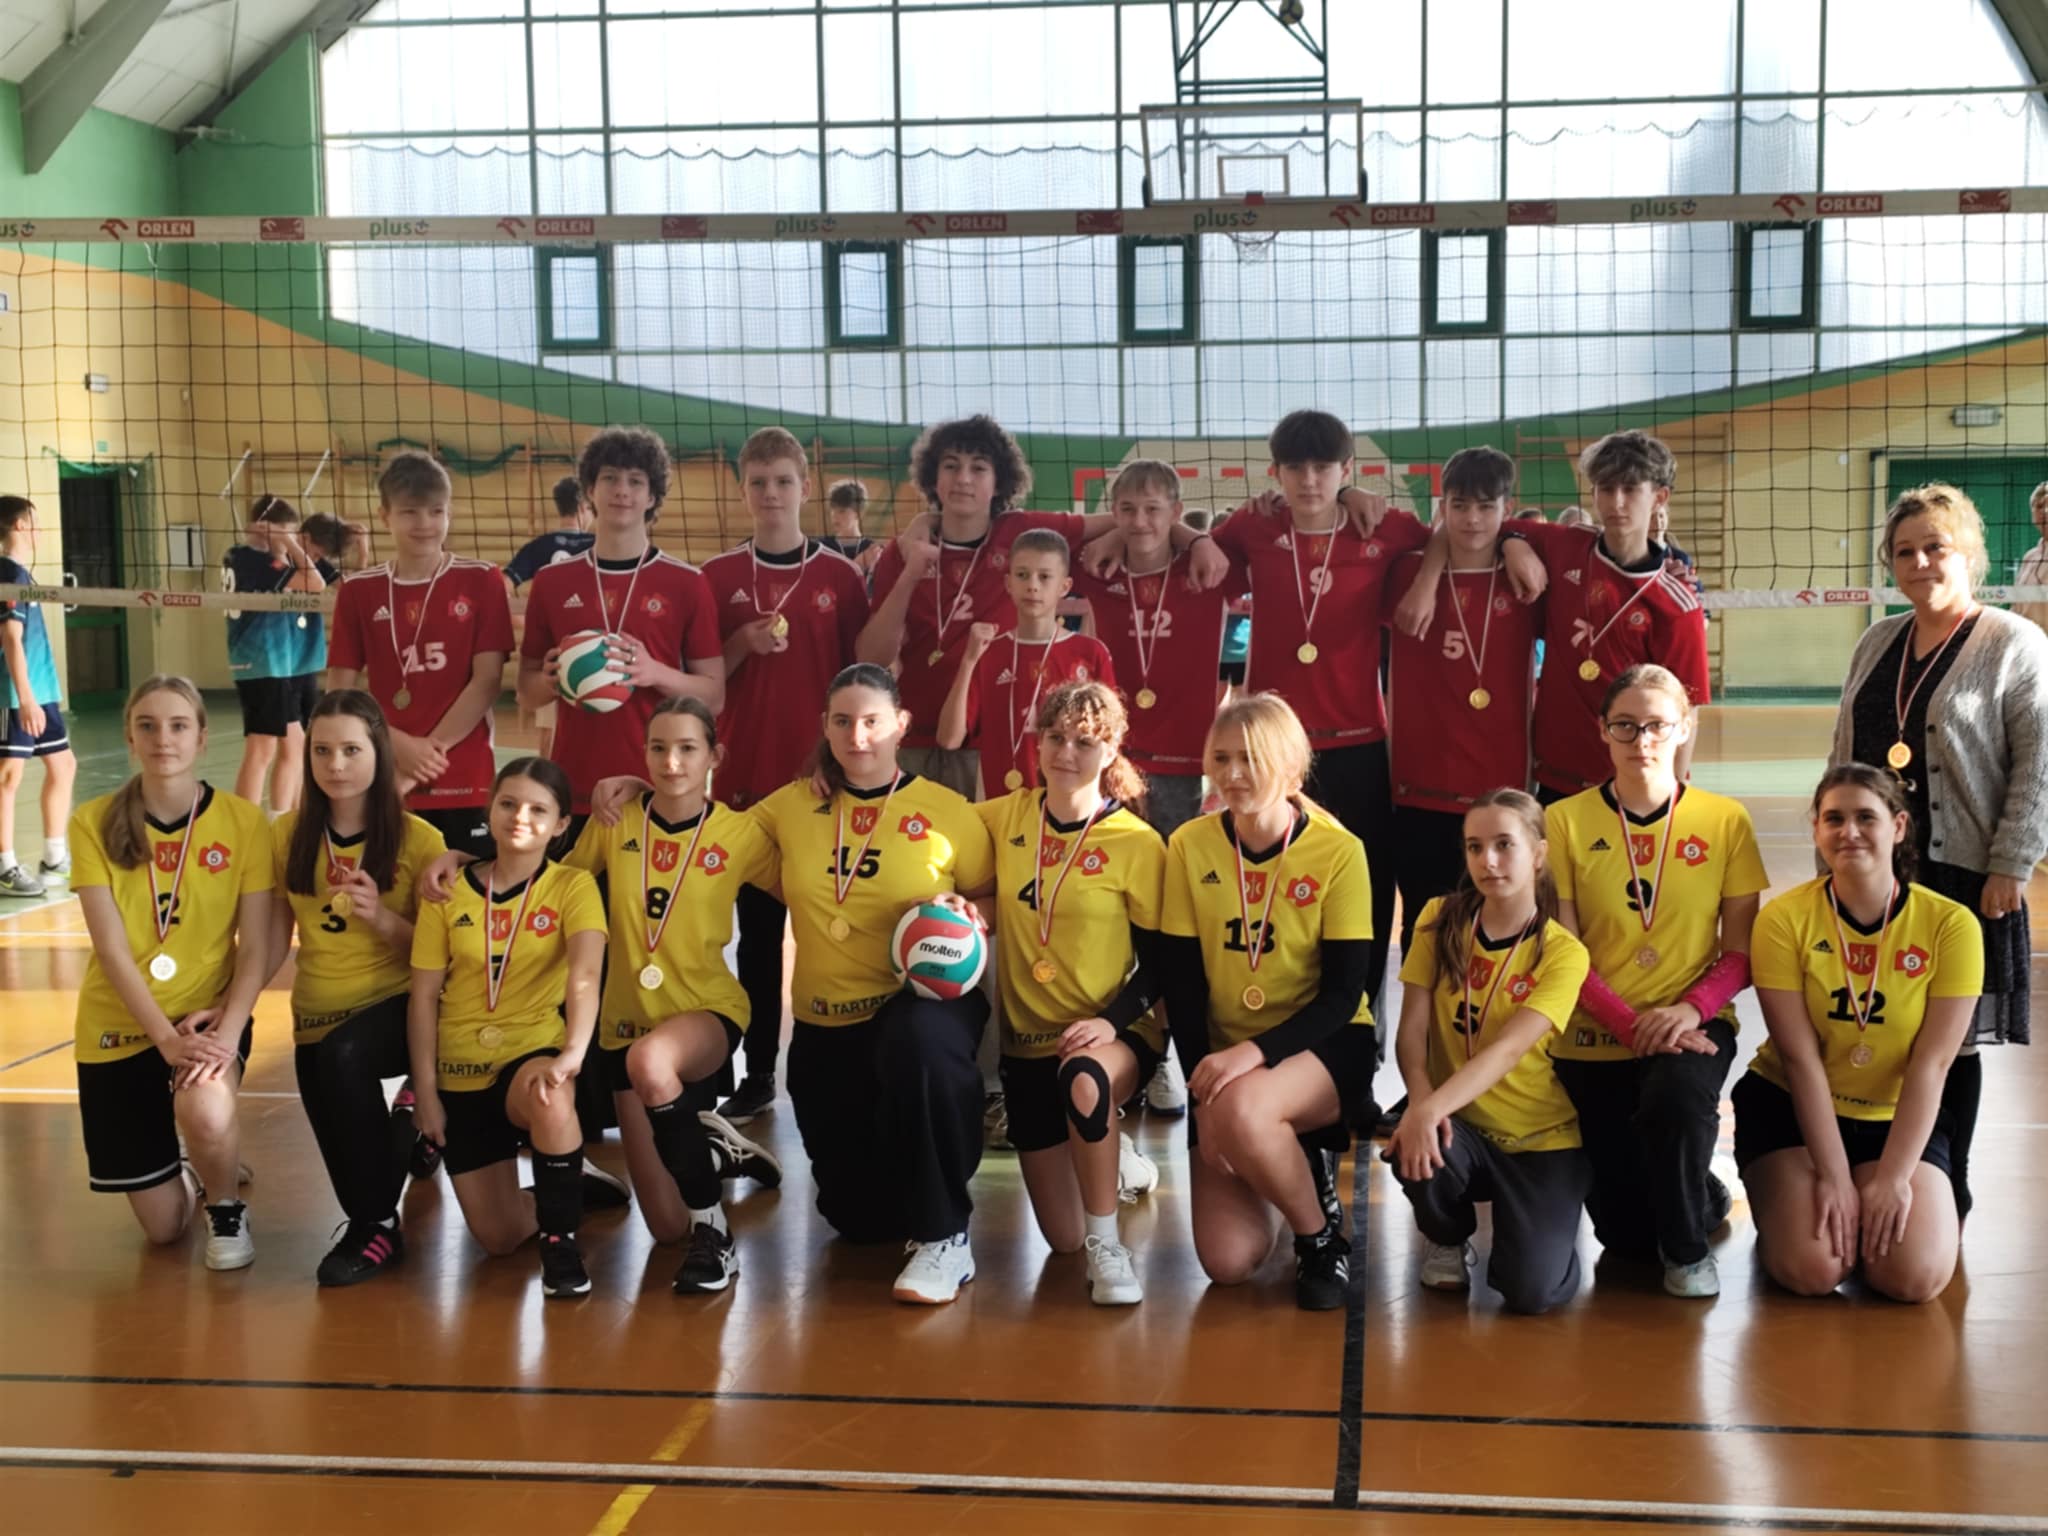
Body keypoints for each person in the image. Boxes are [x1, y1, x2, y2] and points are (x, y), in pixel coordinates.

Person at [1205, 412, 1542, 1019]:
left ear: (1346, 469)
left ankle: (1362, 1030)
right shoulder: (1254, 524)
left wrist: (1484, 552)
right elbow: (1193, 541)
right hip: (1274, 745)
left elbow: (1449, 531)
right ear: (1274, 472)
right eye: (1296, 468)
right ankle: (1274, 1013)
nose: (1310, 481)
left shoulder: (1382, 526)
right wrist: (1189, 539)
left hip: (1358, 744)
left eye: (1323, 468)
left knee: (1366, 890)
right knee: (1273, 883)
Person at [1830, 482, 2048, 1224]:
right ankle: (1883, 1166)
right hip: (1875, 874)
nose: (1920, 563)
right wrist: (1833, 846)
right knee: (1878, 1023)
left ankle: (1947, 1184)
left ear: (1970, 554)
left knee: (1949, 1044)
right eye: (1904, 552)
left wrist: (2011, 862)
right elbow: (1843, 750)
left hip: (1965, 875)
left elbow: (2039, 763)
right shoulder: (1876, 641)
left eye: (1936, 548)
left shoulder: (2013, 642)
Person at [746, 663, 996, 1304]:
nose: (857, 736)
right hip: (828, 1022)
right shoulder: (789, 806)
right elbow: (703, 829)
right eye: (843, 721)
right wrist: (634, 789)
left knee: (919, 1043)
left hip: (920, 1005)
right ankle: (913, 1195)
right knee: (860, 1222)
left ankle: (946, 1234)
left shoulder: (947, 810)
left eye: (872, 721)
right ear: (825, 727)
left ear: (901, 724)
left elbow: (992, 897)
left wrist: (970, 913)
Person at [859, 413, 1222, 801]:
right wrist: (911, 572)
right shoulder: (906, 549)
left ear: (999, 481)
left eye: (978, 468)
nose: (963, 478)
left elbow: (1134, 521)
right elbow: (871, 657)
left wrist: (1195, 539)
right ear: (933, 476)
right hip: (911, 736)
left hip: (991, 744)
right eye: (951, 466)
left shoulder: (1020, 532)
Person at [1545, 664, 1767, 1297]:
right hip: (1594, 1029)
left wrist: (1689, 1011)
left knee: (1675, 1098)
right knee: (1626, 1239)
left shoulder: (1725, 820)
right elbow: (1563, 952)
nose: (1641, 740)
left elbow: (1741, 953)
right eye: (1625, 725)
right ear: (1603, 731)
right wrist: (1628, 1024)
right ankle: (1700, 1191)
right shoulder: (1562, 821)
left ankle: (1689, 1254)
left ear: (1684, 728)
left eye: (1657, 725)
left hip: (1694, 1025)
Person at [559, 698, 783, 1294]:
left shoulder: (740, 834)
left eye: (687, 748)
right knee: (664, 1227)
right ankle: (714, 1147)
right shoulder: (616, 821)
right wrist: (465, 863)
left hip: (706, 1011)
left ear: (715, 756)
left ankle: (717, 1234)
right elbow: (560, 885)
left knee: (652, 1062)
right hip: (626, 1021)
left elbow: (807, 890)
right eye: (658, 748)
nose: (671, 762)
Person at [1159, 693, 1374, 1311]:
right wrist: (1204, 1103)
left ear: (1291, 768)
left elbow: (1344, 996)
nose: (1232, 774)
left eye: (1250, 759)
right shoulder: (1190, 845)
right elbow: (1183, 985)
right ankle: (1292, 1156)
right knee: (1228, 1262)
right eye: (1221, 758)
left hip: (1324, 1044)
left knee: (1248, 1108)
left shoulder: (1339, 851)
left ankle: (1319, 1237)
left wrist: (1249, 1057)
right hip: (1225, 1063)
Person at [1736, 764, 1982, 1302]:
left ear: (1898, 826)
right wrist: (1833, 1176)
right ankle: (1789, 1213)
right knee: (1813, 1270)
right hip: (1793, 1109)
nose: (1849, 832)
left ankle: (1871, 1208)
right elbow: (1799, 1059)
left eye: (1866, 817)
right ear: (1817, 829)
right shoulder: (1783, 920)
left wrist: (1893, 1179)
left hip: (1894, 1119)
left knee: (1913, 1278)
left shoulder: (1951, 925)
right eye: (1834, 819)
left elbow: (1933, 1064)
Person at [962, 681, 1166, 1305]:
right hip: (1027, 1044)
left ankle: (1111, 1249)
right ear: (1038, 742)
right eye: (1055, 737)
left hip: (1110, 1033)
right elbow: (930, 819)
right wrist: (964, 907)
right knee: (1061, 1237)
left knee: (1085, 1080)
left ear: (1112, 751)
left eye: (1084, 741)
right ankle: (1112, 1153)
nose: (1066, 753)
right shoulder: (1006, 815)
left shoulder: (1137, 843)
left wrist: (1112, 1021)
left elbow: (1165, 964)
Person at [69, 677, 274, 1267]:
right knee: (162, 1231)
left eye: (179, 725)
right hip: (120, 1026)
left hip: (205, 1018)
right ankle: (193, 1162)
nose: (164, 738)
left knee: (204, 1102)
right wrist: (163, 1040)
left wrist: (226, 1036)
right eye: (148, 725)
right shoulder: (92, 822)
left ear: (203, 738)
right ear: (130, 738)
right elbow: (111, 950)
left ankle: (226, 1206)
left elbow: (256, 948)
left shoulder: (243, 822)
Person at [699, 429, 870, 1127]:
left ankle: (849, 1064)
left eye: (783, 481)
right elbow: (702, 681)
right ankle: (760, 1072)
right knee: (758, 938)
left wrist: (837, 757)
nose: (771, 494)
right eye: (758, 482)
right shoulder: (715, 577)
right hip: (744, 783)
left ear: (806, 486)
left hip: (825, 783)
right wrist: (742, 642)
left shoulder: (840, 577)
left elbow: (862, 681)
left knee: (838, 930)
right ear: (742, 489)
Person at [1406, 431, 1709, 802]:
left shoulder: (1676, 604)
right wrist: (1512, 544)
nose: (1617, 502)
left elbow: (1687, 709)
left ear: (1659, 497)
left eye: (1631, 489)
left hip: (1631, 783)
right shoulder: (1565, 545)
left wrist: (1674, 793)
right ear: (1593, 493)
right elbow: (1478, 526)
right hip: (1555, 779)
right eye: (1606, 488)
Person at [1069, 462, 1240, 1116]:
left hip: (1178, 767)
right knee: (1107, 908)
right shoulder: (1098, 567)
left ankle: (1164, 1052)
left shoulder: (1207, 568)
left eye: (1153, 510)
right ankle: (1117, 1042)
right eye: (1127, 510)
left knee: (1169, 919)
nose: (1140, 522)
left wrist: (1197, 537)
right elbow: (1032, 540)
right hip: (1108, 758)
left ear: (1174, 511)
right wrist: (1110, 534)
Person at [407, 758, 608, 1298]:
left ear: (561, 824)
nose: (521, 817)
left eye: (539, 809)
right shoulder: (447, 890)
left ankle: (560, 1243)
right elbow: (423, 997)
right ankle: (570, 1182)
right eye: (509, 803)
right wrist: (426, 1093)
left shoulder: (573, 886)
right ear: (489, 809)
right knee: (497, 1238)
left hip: (529, 1052)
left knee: (550, 1094)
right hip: (459, 1066)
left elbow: (585, 975)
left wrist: (572, 1053)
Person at [266, 690, 446, 1286]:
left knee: (344, 1057)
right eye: (322, 751)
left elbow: (443, 958)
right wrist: (227, 1010)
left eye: (351, 749)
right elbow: (270, 941)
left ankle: (377, 1229)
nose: (336, 764)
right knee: (349, 1160)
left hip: (400, 1007)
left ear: (379, 752)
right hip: (318, 1013)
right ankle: (407, 1126)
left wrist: (384, 920)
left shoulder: (420, 840)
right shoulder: (286, 835)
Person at [1390, 790, 1593, 1315]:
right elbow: (1412, 1031)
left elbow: (1507, 1050)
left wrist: (1428, 1110)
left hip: (1538, 1139)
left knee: (1532, 1293)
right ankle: (1446, 1236)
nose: (1489, 861)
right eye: (1475, 847)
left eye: (1505, 845)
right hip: (1461, 1128)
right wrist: (1421, 1104)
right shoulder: (1438, 919)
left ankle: (1545, 1236)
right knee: (1416, 1147)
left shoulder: (1564, 953)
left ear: (1539, 854)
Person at [1384, 447, 1543, 956]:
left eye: (1486, 507)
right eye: (1459, 506)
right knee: (1425, 929)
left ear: (1506, 508)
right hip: (1419, 787)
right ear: (1442, 507)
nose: (1472, 519)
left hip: (1501, 788)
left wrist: (1515, 540)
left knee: (1500, 929)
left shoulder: (1528, 575)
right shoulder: (1404, 573)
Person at [520, 426, 725, 816]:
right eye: (610, 478)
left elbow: (714, 696)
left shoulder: (687, 583)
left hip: (658, 788)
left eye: (635, 481)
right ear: (590, 490)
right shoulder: (551, 582)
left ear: (652, 496)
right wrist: (549, 681)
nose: (622, 490)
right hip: (574, 786)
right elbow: (527, 693)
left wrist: (653, 672)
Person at [328, 451, 517, 859]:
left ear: (450, 513)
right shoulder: (358, 591)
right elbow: (339, 693)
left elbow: (487, 681)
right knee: (387, 890)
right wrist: (396, 745)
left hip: (462, 775)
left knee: (464, 891)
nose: (425, 524)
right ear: (384, 516)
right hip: (384, 773)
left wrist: (427, 755)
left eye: (436, 511)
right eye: (410, 512)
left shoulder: (482, 579)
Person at [938, 529, 1116, 801]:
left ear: (1065, 587)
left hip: (1067, 804)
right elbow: (949, 739)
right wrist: (968, 661)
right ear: (1008, 583)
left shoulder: (1090, 653)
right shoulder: (987, 651)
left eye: (1044, 577)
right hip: (1000, 802)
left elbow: (1109, 740)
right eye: (1022, 575)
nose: (1032, 585)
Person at [223, 495, 335, 815]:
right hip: (261, 661)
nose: (289, 538)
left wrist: (284, 542)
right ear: (267, 529)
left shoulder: (248, 557)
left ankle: (286, 819)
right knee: (261, 749)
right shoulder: (253, 560)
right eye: (285, 532)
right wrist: (288, 541)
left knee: (292, 746)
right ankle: (249, 823)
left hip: (274, 663)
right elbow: (315, 582)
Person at [0, 494, 76, 897]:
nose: (40, 531)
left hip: (39, 690)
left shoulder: (21, 574)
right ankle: (5, 865)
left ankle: (55, 858)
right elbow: (11, 638)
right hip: (14, 693)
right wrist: (26, 698)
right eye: (36, 523)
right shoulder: (7, 572)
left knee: (63, 765)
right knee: (8, 775)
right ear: (20, 526)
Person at [505, 475, 596, 593]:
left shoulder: (537, 546)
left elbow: (504, 584)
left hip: (549, 604)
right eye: (591, 509)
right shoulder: (597, 545)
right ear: (582, 508)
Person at [821, 478, 882, 577]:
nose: (834, 516)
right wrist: (858, 564)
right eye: (833, 510)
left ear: (858, 513)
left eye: (841, 511)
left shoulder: (871, 549)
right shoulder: (823, 547)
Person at [2013, 480, 2048, 631]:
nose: (2045, 511)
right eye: (2039, 506)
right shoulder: (2030, 557)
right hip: (2027, 640)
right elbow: (2017, 606)